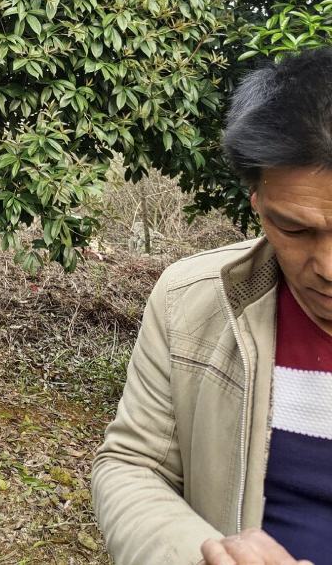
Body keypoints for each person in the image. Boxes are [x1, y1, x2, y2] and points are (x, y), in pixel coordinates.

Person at [91, 46, 332, 565]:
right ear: (258, 206)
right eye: (294, 228)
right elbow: (134, 463)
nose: (328, 267)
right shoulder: (191, 300)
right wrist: (200, 556)